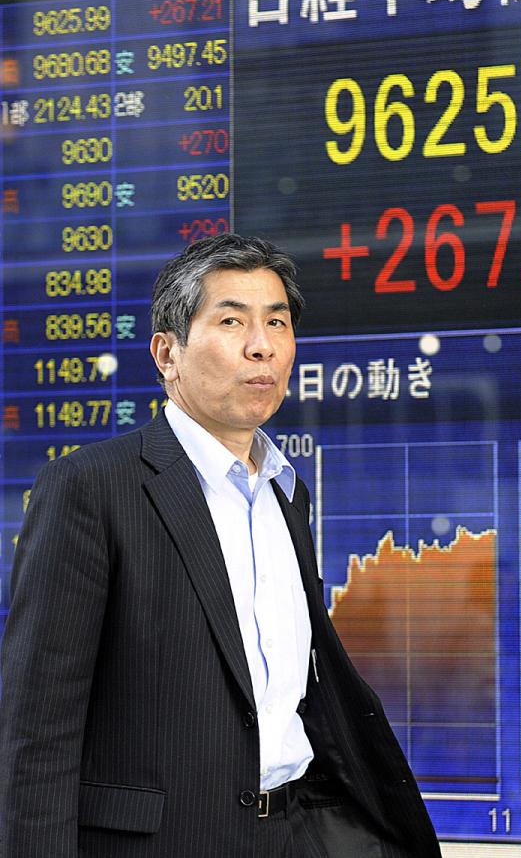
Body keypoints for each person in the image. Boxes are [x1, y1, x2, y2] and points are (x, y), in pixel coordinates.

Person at [0, 234, 441, 857]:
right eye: (232, 320)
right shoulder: (91, 489)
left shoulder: (288, 494)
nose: (261, 344)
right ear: (167, 354)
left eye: (277, 322)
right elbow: (36, 734)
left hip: (294, 833)